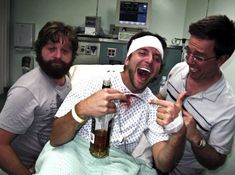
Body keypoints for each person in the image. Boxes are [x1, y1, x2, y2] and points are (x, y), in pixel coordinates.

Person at [34, 31, 186, 175]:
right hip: (74, 152)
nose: (150, 60)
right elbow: (55, 138)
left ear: (159, 70)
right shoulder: (93, 84)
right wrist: (82, 109)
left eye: (157, 58)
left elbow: (163, 164)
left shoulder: (152, 105)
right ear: (127, 59)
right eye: (142, 52)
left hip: (117, 163)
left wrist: (178, 132)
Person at [157, 15, 235, 175]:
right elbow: (160, 98)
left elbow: (216, 162)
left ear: (222, 59)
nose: (190, 61)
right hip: (152, 152)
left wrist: (196, 137)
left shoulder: (228, 107)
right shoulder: (178, 69)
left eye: (199, 56)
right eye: (188, 52)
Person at [0, 21, 78, 175]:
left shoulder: (65, 78)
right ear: (39, 50)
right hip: (23, 167)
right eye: (51, 49)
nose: (58, 56)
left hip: (48, 158)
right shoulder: (26, 91)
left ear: (72, 55)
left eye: (65, 50)